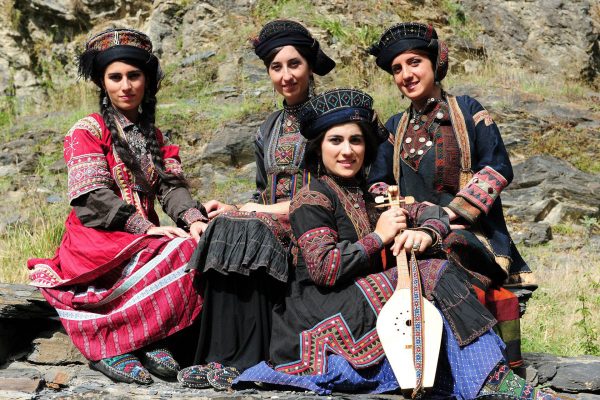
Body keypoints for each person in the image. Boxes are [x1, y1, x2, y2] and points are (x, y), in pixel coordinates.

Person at [235, 88, 566, 400]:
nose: (347, 150)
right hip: (317, 311)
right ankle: (492, 380)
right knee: (432, 272)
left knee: (438, 262)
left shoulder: (368, 197)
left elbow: (431, 210)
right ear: (319, 147)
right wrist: (379, 237)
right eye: (335, 141)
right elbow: (325, 269)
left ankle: (482, 376)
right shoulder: (310, 199)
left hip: (354, 297)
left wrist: (427, 232)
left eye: (355, 141)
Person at [27, 28, 230, 385]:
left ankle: (152, 338)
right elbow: (91, 197)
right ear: (102, 83)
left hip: (143, 235)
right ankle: (112, 347)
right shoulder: (87, 130)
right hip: (97, 238)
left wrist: (192, 218)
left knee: (194, 243)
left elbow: (172, 188)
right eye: (115, 77)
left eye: (133, 76)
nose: (125, 85)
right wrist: (145, 227)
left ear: (146, 80)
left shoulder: (154, 136)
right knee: (178, 249)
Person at [176, 19, 336, 390]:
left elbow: (330, 190)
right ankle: (218, 355)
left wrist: (257, 212)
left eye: (294, 64)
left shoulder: (330, 119)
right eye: (276, 67)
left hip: (316, 218)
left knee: (251, 225)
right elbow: (264, 192)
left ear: (309, 67)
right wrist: (234, 207)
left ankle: (249, 357)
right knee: (222, 225)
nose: (286, 76)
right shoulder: (268, 127)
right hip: (271, 216)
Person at [367, 22, 537, 370]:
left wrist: (443, 219)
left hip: (471, 233)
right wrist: (398, 214)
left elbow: (497, 169)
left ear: (434, 62)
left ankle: (481, 365)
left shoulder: (467, 111)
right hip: (411, 234)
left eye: (414, 62)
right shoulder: (394, 127)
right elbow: (377, 184)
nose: (406, 75)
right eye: (397, 69)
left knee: (447, 254)